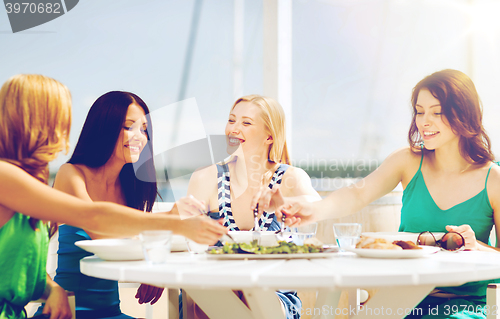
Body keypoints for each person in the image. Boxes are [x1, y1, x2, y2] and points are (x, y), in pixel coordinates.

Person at [253, 69, 500, 319]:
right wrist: (310, 210)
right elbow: (357, 195)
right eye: (419, 111)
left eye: (437, 112)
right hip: (402, 301)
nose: (424, 122)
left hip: (466, 307)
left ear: (464, 114)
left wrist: (476, 246)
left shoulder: (493, 180)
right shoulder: (408, 161)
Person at [0, 74, 227, 319]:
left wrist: (53, 289)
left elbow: (24, 265)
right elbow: (95, 220)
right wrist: (174, 221)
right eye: (59, 119)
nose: (64, 130)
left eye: (144, 129)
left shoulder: (31, 183)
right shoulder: (10, 177)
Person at [178, 94, 321, 319]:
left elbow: (316, 204)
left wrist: (287, 204)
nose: (233, 129)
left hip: (274, 295)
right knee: (217, 292)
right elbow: (183, 235)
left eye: (246, 123)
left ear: (269, 136)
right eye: (231, 120)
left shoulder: (290, 177)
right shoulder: (205, 177)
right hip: (209, 291)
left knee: (240, 294)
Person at [34, 91, 164, 318]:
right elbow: (103, 235)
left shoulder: (130, 187)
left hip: (112, 312)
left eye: (144, 129)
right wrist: (154, 268)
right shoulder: (72, 174)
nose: (139, 136)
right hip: (67, 311)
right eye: (128, 127)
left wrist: (157, 269)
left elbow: (138, 240)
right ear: (105, 128)